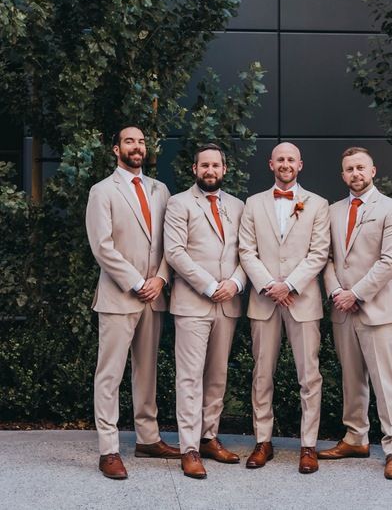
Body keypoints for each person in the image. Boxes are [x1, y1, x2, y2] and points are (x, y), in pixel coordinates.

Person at [86, 125, 180, 480]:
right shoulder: (102, 191)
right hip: (119, 296)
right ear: (116, 149)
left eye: (141, 141)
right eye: (129, 141)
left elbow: (172, 242)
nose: (136, 146)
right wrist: (138, 281)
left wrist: (160, 278)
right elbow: (102, 246)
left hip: (154, 296)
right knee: (109, 374)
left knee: (147, 371)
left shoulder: (161, 190)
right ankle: (108, 449)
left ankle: (148, 438)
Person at [239, 142, 330, 474]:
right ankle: (263, 441)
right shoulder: (253, 203)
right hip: (263, 301)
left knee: (309, 376)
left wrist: (289, 285)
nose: (286, 164)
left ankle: (309, 445)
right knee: (262, 375)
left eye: (291, 159)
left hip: (302, 301)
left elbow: (319, 253)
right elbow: (246, 251)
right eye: (280, 159)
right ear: (271, 164)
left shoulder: (318, 205)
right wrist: (269, 286)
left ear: (300, 165)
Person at [319, 146, 392, 480]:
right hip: (342, 309)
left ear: (373, 171)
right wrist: (336, 293)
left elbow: (389, 261)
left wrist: (356, 294)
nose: (355, 174)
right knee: (351, 378)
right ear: (343, 175)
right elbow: (325, 258)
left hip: (378, 309)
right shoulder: (332, 211)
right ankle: (355, 437)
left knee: (385, 382)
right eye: (349, 169)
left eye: (361, 167)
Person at [164, 144, 246, 479]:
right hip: (193, 302)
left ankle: (209, 436)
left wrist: (236, 284)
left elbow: (248, 252)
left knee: (217, 376)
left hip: (228, 303)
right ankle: (189, 448)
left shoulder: (239, 207)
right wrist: (211, 285)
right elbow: (175, 252)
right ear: (194, 169)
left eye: (215, 165)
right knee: (189, 376)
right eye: (204, 165)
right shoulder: (179, 203)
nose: (209, 170)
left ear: (224, 169)